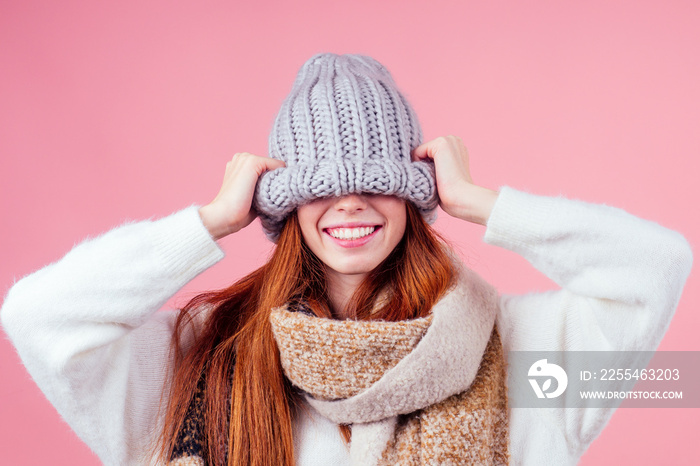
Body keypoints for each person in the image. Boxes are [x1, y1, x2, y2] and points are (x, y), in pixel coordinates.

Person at [0, 53, 693, 466]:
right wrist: (208, 223)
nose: (350, 204)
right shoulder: (204, 358)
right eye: (321, 186)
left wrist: (485, 204)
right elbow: (39, 316)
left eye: (376, 181)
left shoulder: (520, 360)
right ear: (287, 203)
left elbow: (656, 270)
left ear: (413, 192)